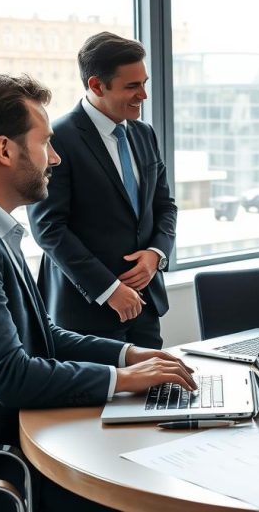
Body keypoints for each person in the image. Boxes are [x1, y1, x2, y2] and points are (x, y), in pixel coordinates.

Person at [0, 72, 195, 509]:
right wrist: (125, 381)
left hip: (12, 435)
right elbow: (10, 375)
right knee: (149, 480)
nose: (54, 158)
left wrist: (128, 357)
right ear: (4, 149)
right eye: (45, 143)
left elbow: (40, 334)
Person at [28, 32, 177, 349]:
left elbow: (165, 207)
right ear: (97, 85)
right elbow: (48, 228)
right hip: (86, 312)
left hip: (146, 304)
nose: (144, 95)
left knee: (155, 396)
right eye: (132, 86)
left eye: (144, 82)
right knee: (101, 399)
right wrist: (109, 289)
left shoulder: (144, 133)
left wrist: (156, 255)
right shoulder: (58, 139)